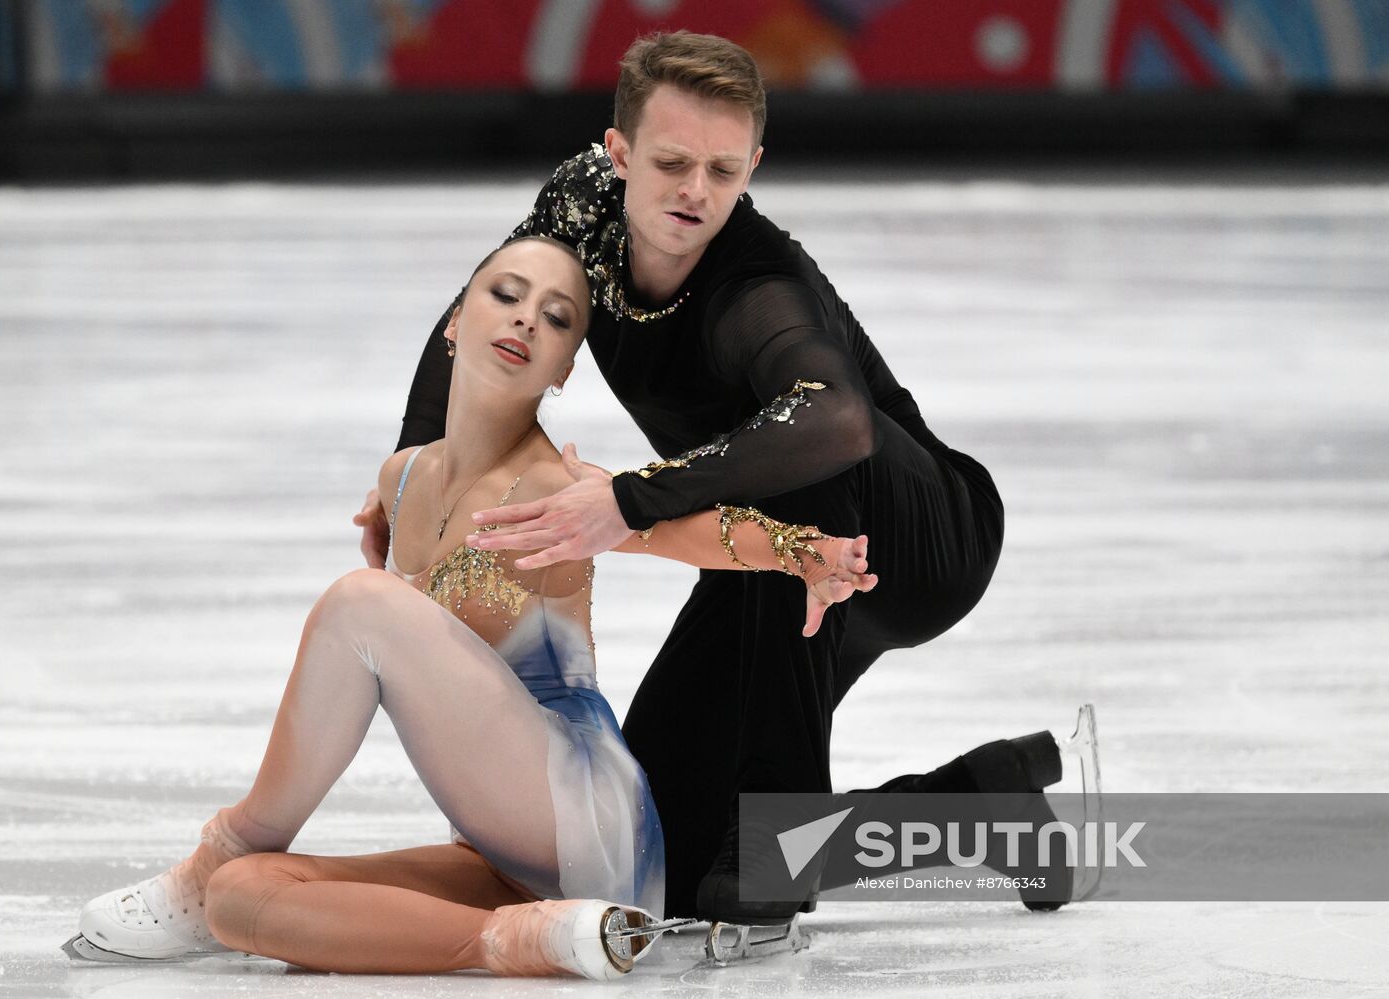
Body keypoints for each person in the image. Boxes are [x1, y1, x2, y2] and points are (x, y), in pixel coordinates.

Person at [354, 31, 1083, 923]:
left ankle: (783, 810)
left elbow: (838, 417)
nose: (696, 192)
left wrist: (625, 502)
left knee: (803, 443)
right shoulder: (580, 208)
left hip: (923, 533)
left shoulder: (756, 288)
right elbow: (482, 309)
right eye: (670, 163)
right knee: (663, 855)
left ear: (753, 167)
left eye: (724, 170)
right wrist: (421, 465)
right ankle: (982, 808)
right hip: (770, 546)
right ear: (617, 154)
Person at [66, 236, 877, 978]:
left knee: (361, 604)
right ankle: (531, 938)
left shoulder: (558, 486)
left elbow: (687, 531)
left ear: (562, 368)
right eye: (506, 294)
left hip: (583, 811)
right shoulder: (403, 479)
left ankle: (224, 845)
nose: (527, 317)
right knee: (244, 898)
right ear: (456, 322)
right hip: (509, 856)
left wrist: (806, 552)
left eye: (557, 317)